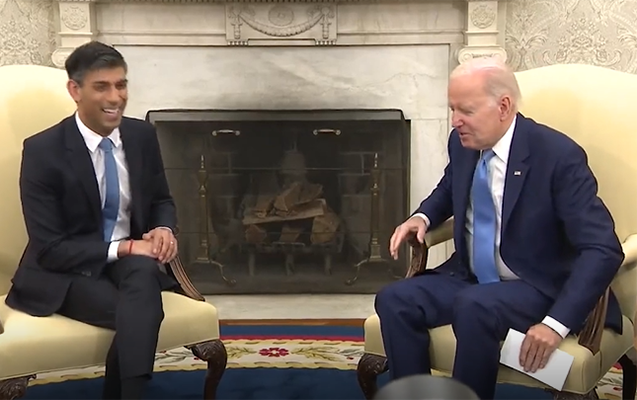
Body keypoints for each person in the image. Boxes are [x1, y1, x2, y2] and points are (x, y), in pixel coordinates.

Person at [376, 57, 624, 400]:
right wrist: (423, 217)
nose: (455, 120)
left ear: (503, 107)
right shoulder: (462, 143)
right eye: (452, 109)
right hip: (471, 277)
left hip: (537, 283)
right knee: (395, 299)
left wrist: (555, 324)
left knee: (475, 305)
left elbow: (603, 248)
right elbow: (450, 186)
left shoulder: (557, 156)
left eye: (466, 110)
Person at [5, 41, 180, 400]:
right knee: (140, 312)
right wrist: (127, 247)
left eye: (121, 85)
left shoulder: (142, 136)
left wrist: (163, 229)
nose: (115, 97)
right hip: (63, 272)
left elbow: (161, 199)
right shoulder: (42, 152)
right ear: (75, 90)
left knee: (143, 277)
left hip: (128, 266)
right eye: (102, 87)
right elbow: (50, 249)